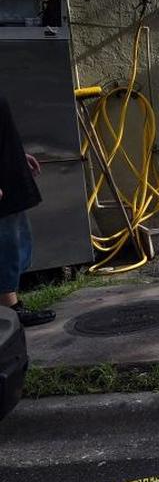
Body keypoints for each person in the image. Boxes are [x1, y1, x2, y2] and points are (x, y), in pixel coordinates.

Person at [0, 95, 55, 327]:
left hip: (7, 169)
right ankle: (9, 311)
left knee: (16, 242)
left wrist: (16, 155)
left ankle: (9, 309)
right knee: (5, 245)